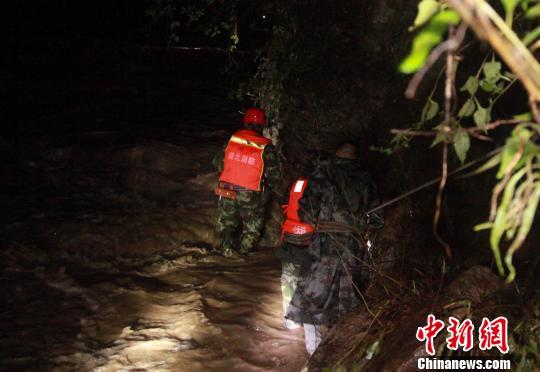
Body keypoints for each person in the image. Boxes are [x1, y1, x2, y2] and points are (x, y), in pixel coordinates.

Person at [285, 142, 384, 355]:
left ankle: (315, 356)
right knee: (350, 302)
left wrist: (321, 221)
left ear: (336, 155)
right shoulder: (367, 179)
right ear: (354, 158)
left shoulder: (323, 174)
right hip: (355, 249)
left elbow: (305, 211)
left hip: (325, 246)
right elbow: (377, 220)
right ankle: (348, 354)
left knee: (312, 301)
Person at [213, 108, 281, 257]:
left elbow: (217, 162)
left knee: (227, 224)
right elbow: (275, 175)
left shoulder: (232, 139)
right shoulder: (265, 146)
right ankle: (243, 255)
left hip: (226, 189)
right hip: (249, 193)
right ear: (262, 125)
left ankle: (227, 253)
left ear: (245, 122)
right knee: (253, 226)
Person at [276, 177, 314, 329]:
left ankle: (292, 321)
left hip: (291, 236)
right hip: (311, 238)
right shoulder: (326, 184)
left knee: (289, 280)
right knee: (312, 280)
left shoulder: (297, 183)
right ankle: (309, 322)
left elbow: (286, 205)